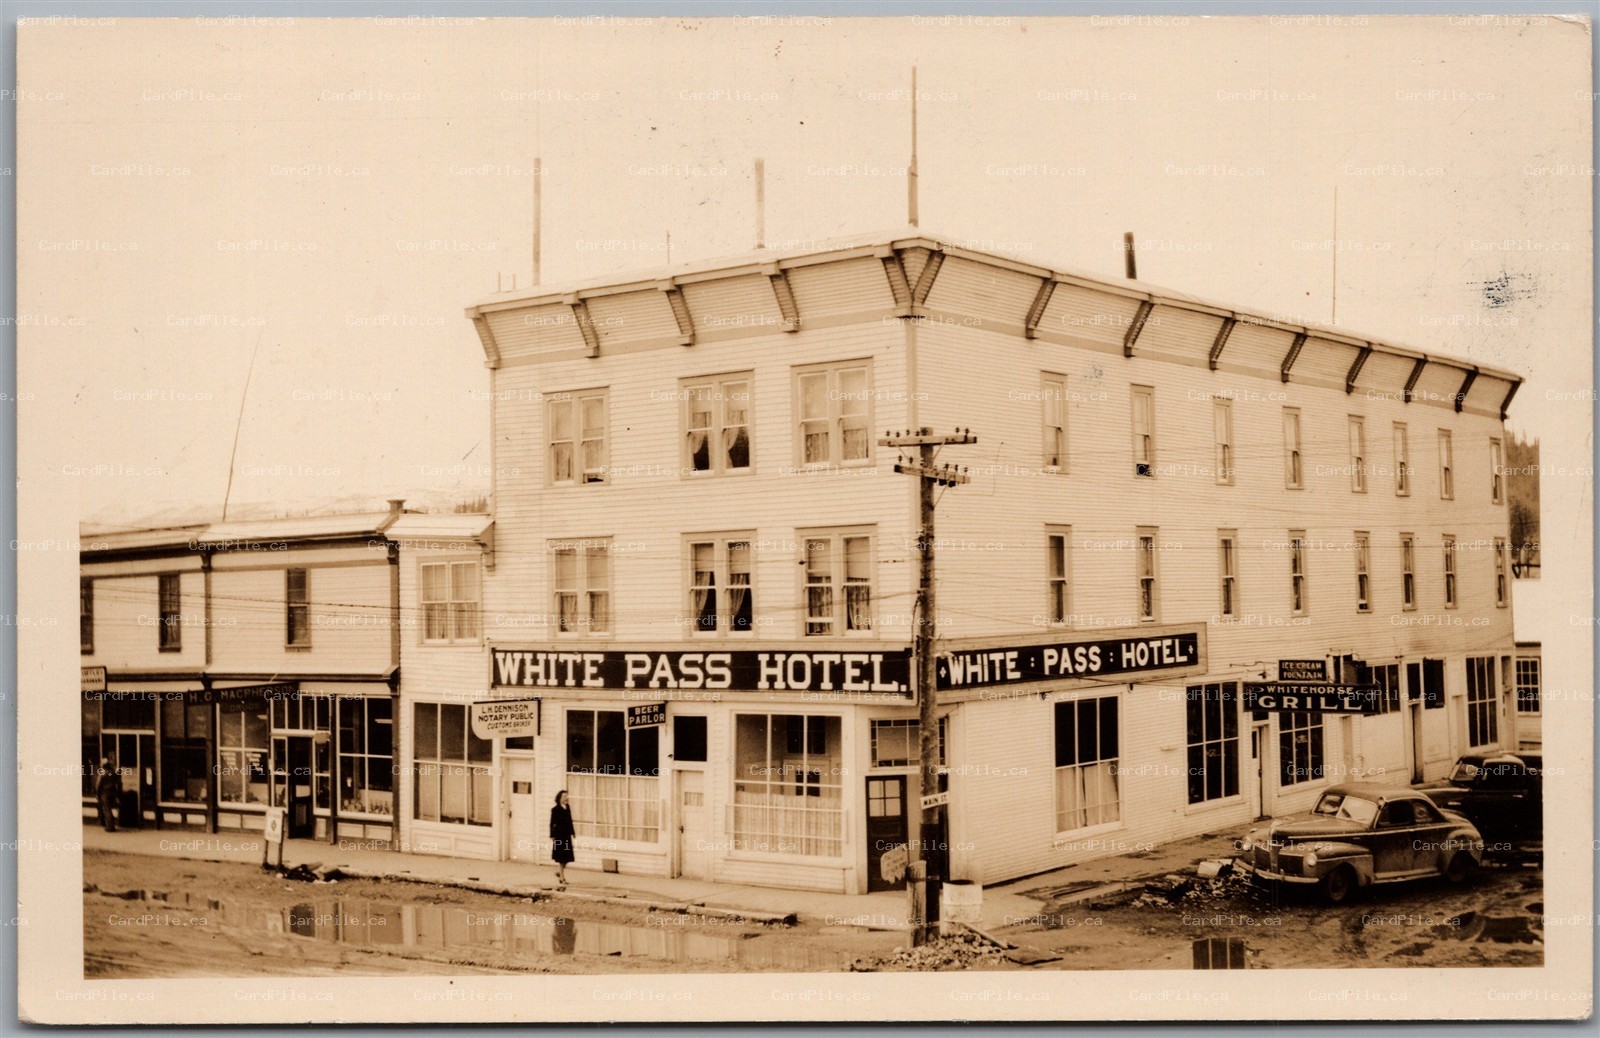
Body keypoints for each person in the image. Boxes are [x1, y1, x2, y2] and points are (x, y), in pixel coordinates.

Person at [549, 789, 575, 887]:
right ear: (559, 798)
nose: (566, 798)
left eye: (567, 796)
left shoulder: (567, 807)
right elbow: (552, 823)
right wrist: (552, 835)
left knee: (567, 857)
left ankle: (559, 871)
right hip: (559, 835)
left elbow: (570, 821)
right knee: (561, 858)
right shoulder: (555, 810)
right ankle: (562, 878)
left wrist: (573, 832)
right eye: (564, 796)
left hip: (567, 835)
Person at [95, 756, 122, 832]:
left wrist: (97, 793)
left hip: (105, 793)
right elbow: (118, 782)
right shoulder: (113, 772)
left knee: (107, 809)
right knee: (110, 809)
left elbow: (98, 784)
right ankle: (111, 824)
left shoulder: (103, 773)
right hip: (113, 792)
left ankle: (109, 826)